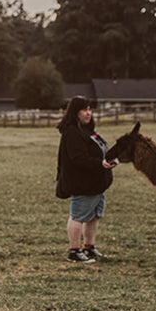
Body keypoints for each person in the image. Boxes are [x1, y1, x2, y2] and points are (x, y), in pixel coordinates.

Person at [56, 95, 116, 264]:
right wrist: (100, 163)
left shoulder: (87, 130)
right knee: (78, 216)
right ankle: (74, 252)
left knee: (93, 216)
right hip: (81, 183)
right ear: (75, 112)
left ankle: (88, 248)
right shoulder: (72, 132)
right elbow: (78, 159)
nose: (88, 113)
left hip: (96, 183)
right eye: (84, 110)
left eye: (89, 109)